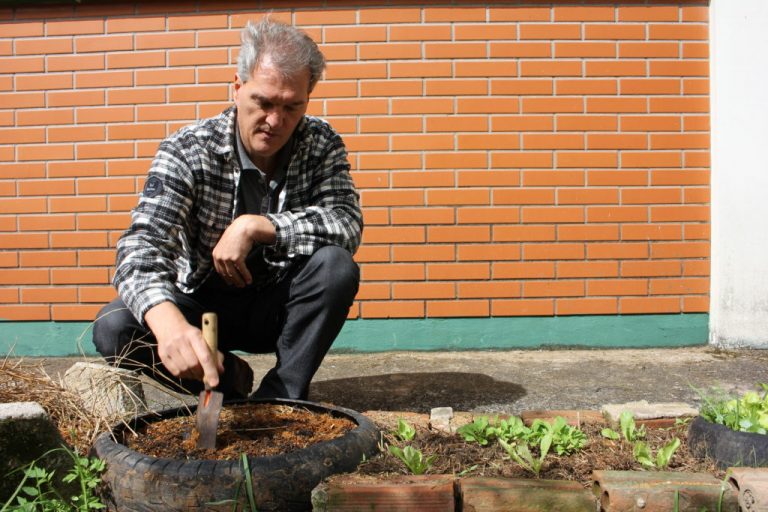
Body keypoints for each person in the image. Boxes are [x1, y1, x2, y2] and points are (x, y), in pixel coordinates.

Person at [92, 17, 362, 401]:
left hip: (280, 307)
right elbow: (140, 247)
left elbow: (346, 222)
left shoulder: (321, 143)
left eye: (292, 106)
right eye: (263, 102)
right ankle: (227, 378)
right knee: (113, 326)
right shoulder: (188, 149)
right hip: (201, 307)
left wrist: (257, 225)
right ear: (237, 88)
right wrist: (168, 325)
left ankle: (281, 396)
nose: (275, 121)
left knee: (335, 266)